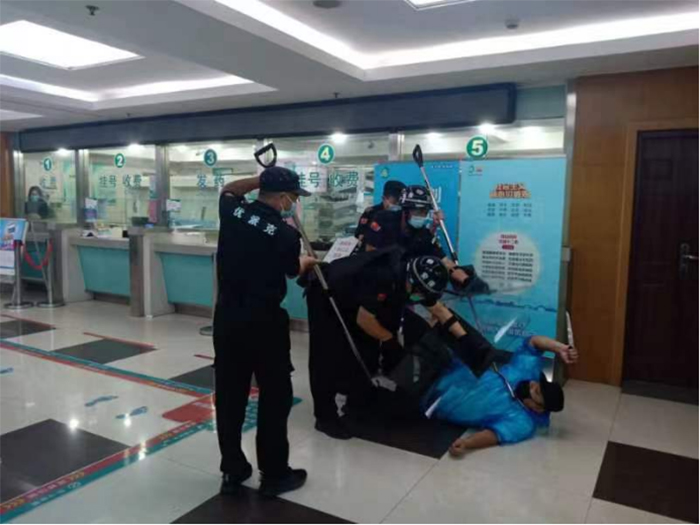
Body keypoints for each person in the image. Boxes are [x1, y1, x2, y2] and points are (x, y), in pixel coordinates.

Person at [213, 166, 317, 497]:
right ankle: (274, 473)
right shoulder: (285, 235)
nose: (294, 203)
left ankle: (233, 468)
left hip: (227, 320)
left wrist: (262, 179)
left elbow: (229, 189)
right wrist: (305, 262)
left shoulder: (232, 211)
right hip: (265, 325)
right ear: (284, 197)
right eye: (294, 197)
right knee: (275, 397)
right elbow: (293, 270)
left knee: (230, 396)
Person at [307, 250, 450, 440]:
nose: (419, 298)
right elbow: (365, 320)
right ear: (412, 282)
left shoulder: (410, 278)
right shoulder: (383, 277)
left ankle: (357, 399)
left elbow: (434, 309)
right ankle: (325, 417)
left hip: (357, 298)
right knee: (327, 355)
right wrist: (389, 340)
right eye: (418, 293)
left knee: (367, 346)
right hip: (327, 293)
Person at [419, 302, 579, 455]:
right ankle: (436, 314)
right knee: (420, 331)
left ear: (538, 408)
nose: (532, 384)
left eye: (536, 391)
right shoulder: (527, 371)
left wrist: (468, 443)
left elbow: (495, 435)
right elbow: (533, 342)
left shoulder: (522, 422)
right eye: (536, 384)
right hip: (449, 367)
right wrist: (560, 348)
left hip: (435, 398)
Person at [366, 185, 472, 288]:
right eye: (418, 211)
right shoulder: (383, 220)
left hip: (405, 285)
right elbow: (370, 252)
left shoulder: (423, 234)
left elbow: (445, 262)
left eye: (425, 212)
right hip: (376, 280)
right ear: (405, 211)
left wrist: (466, 280)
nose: (422, 216)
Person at [354, 180, 406, 249]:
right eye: (394, 201)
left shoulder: (403, 214)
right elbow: (360, 234)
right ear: (384, 198)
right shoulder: (371, 212)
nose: (397, 204)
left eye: (400, 202)